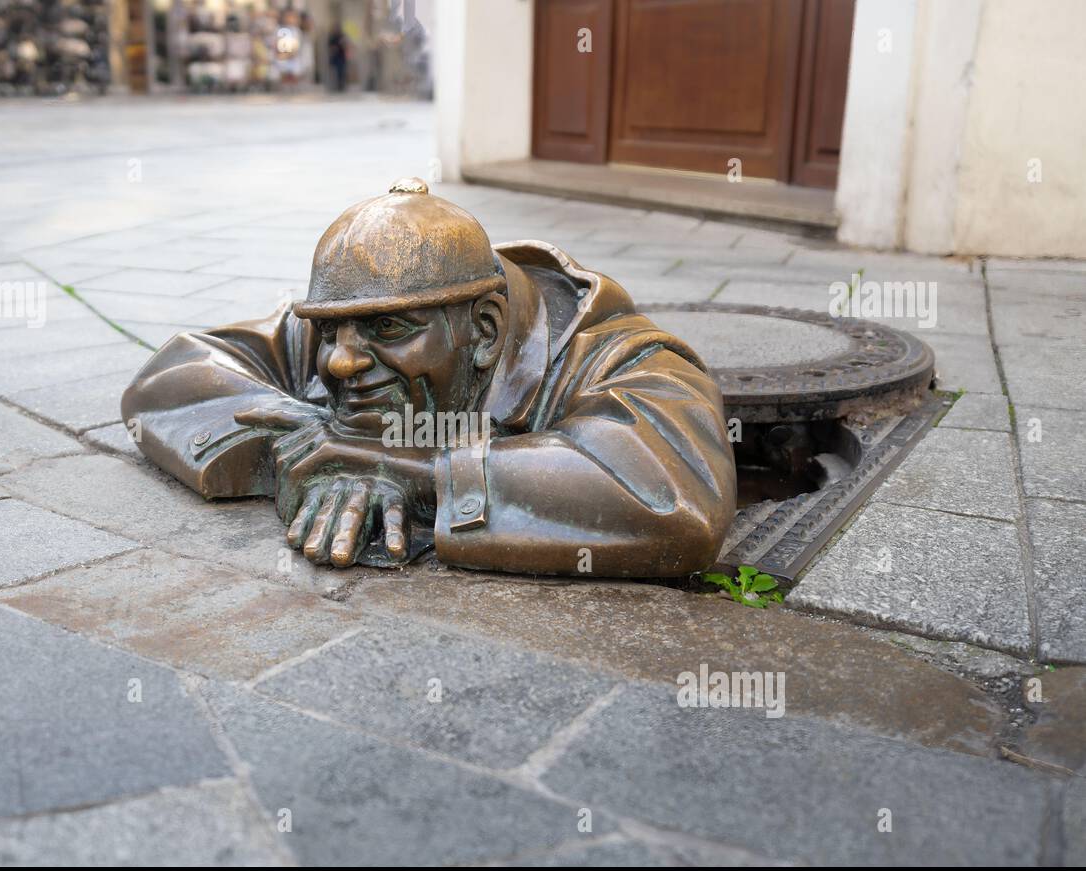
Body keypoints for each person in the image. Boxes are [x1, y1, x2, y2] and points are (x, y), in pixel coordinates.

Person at [122, 179, 736, 577]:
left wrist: (414, 473)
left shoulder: (612, 354)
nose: (339, 361)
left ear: (487, 332)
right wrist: (296, 443)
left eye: (390, 329)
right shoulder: (345, 328)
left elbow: (676, 495)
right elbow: (172, 377)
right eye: (331, 332)